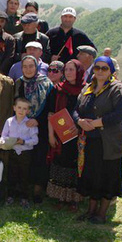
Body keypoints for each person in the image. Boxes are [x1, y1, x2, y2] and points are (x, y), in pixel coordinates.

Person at [74, 56, 122, 224]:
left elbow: (119, 114)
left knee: (107, 175)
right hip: (90, 141)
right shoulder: (88, 88)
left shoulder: (117, 89)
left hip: (108, 142)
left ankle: (102, 213)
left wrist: (96, 123)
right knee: (92, 175)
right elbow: (76, 109)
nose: (100, 71)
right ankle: (91, 210)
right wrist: (79, 121)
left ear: (111, 71)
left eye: (104, 68)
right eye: (97, 68)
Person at [14, 55, 54, 203]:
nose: (28, 69)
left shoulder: (47, 83)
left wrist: (38, 120)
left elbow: (51, 107)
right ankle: (23, 188)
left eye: (31, 66)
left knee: (40, 158)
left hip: (41, 127)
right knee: (24, 157)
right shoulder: (19, 83)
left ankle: (38, 190)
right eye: (25, 66)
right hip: (22, 126)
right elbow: (16, 103)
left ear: (36, 67)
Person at [46, 60, 85, 210]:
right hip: (59, 134)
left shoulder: (86, 90)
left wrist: (79, 126)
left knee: (75, 164)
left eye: (72, 69)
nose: (68, 72)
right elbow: (51, 113)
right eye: (66, 70)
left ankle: (74, 199)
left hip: (79, 134)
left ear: (79, 72)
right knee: (61, 162)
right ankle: (60, 197)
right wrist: (50, 134)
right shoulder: (57, 89)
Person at [2, 97, 39, 208]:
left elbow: (35, 140)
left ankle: (24, 198)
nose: (21, 111)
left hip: (25, 153)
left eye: (24, 108)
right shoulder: (9, 121)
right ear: (14, 108)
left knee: (24, 176)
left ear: (28, 111)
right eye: (19, 107)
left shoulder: (30, 123)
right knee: (11, 174)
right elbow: (3, 136)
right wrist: (5, 142)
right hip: (12, 152)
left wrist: (23, 142)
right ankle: (10, 196)